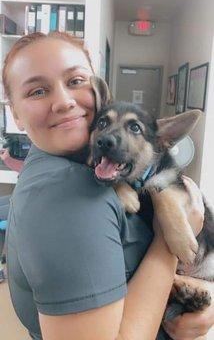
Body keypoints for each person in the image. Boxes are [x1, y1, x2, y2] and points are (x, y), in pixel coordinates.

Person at [2, 31, 212, 340]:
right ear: (15, 113)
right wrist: (168, 243)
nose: (64, 102)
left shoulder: (70, 165)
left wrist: (204, 294)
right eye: (37, 91)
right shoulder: (70, 195)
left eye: (75, 82)